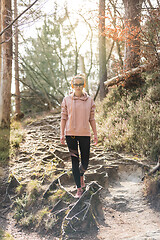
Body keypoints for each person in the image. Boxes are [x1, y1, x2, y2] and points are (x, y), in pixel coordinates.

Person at [60, 74, 98, 198]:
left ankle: (81, 175)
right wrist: (61, 134)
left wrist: (95, 134)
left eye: (80, 84)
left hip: (85, 135)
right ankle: (79, 188)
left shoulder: (90, 101)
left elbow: (92, 119)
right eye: (75, 84)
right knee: (75, 161)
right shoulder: (66, 100)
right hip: (70, 135)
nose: (78, 87)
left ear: (84, 85)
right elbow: (63, 118)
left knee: (85, 162)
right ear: (72, 85)